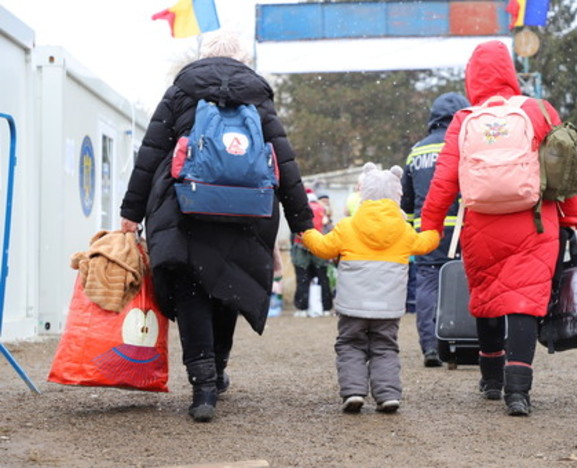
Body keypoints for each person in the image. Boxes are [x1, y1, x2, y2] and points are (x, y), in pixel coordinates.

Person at [119, 30, 314, 422]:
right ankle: (219, 367)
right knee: (229, 288)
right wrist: (302, 223)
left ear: (203, 56)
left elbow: (151, 153)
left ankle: (203, 387)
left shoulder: (181, 92)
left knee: (193, 291)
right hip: (246, 214)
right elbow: (284, 161)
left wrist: (130, 213)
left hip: (186, 209)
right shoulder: (257, 96)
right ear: (242, 59)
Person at [420, 40, 577, 416]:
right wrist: (570, 217)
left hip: (481, 225)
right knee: (523, 304)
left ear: (472, 78)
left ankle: (491, 379)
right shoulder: (539, 110)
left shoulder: (464, 119)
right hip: (536, 222)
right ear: (509, 72)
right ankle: (518, 392)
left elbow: (444, 180)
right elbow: (567, 167)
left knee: (488, 302)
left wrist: (430, 224)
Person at [301, 162, 440, 414]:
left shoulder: (348, 226)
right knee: (385, 346)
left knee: (350, 344)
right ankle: (387, 395)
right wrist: (436, 230)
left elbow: (323, 248)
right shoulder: (404, 230)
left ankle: (354, 392)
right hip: (388, 306)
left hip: (352, 305)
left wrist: (307, 233)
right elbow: (425, 243)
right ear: (396, 193)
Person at [401, 92, 470, 367]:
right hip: (463, 229)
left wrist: (409, 228)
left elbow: (406, 199)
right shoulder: (465, 145)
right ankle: (463, 342)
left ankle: (429, 345)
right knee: (465, 285)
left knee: (427, 286)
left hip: (427, 231)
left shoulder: (417, 150)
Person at [291, 189, 334, 317]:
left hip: (301, 245)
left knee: (303, 277)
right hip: (320, 245)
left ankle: (302, 308)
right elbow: (328, 228)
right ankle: (326, 307)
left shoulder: (299, 208)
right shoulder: (323, 209)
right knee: (323, 277)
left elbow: (294, 229)